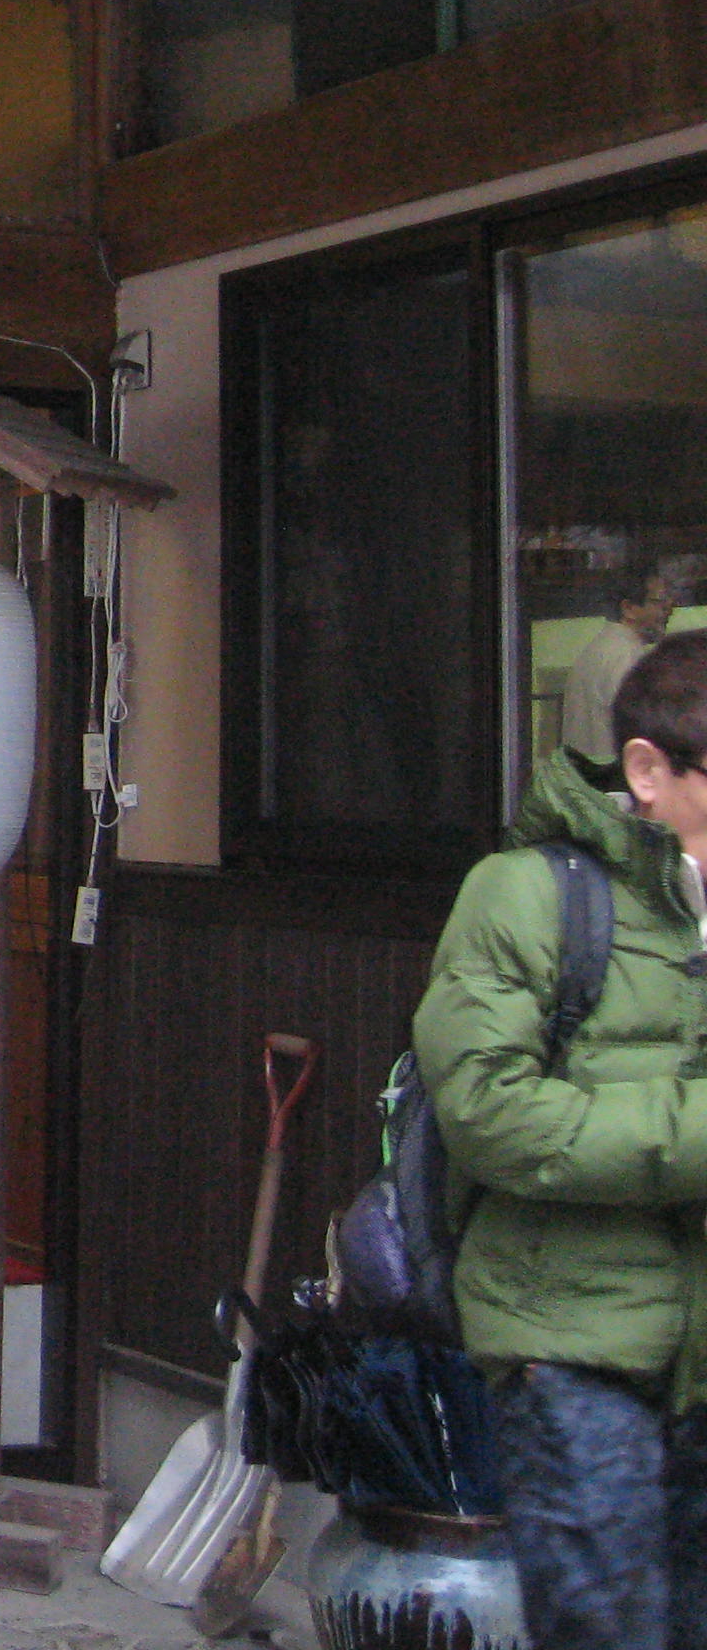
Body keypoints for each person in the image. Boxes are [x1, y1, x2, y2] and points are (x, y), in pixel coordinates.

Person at [417, 627, 707, 1650]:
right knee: (609, 1627)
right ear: (648, 771)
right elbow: (488, 1111)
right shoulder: (531, 893)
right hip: (571, 1344)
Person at [560, 569, 677, 765]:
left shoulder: (599, 648)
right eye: (659, 602)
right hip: (615, 777)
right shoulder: (626, 656)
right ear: (628, 608)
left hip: (589, 776)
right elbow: (642, 730)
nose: (669, 609)